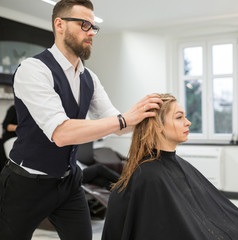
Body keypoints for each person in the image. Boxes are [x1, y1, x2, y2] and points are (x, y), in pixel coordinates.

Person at [0, 0, 162, 239]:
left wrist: (154, 119)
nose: (91, 33)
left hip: (68, 183)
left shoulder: (90, 79)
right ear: (59, 24)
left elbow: (117, 125)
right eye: (84, 24)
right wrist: (123, 120)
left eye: (93, 27)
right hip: (26, 185)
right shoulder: (33, 69)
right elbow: (62, 133)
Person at [102, 94, 238, 240]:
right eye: (179, 117)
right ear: (158, 127)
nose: (188, 123)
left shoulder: (171, 166)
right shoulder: (150, 176)